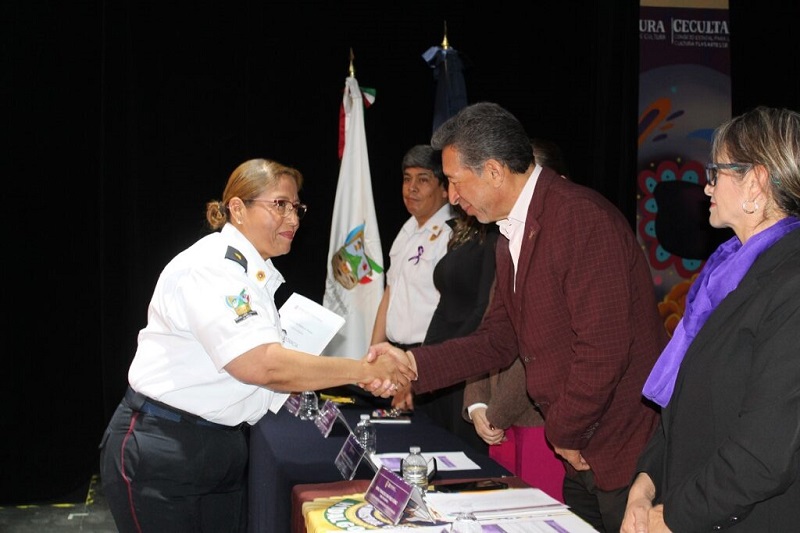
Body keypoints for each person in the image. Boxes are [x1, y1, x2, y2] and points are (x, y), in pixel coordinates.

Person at [367, 102, 667, 532]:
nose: (451, 197)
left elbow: (603, 351)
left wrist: (564, 434)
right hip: (581, 451)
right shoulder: (511, 233)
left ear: (492, 171)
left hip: (620, 454)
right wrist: (411, 364)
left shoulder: (580, 220)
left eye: (453, 181)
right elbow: (498, 340)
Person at [99, 158, 414, 533]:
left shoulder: (255, 277)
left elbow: (268, 376)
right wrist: (363, 371)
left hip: (217, 447)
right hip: (163, 449)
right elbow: (262, 365)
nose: (293, 219)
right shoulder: (212, 268)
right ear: (237, 208)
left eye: (297, 207)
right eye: (279, 205)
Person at [621, 107, 800, 532]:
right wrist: (644, 485)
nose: (706, 188)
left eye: (716, 173)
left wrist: (670, 517)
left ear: (755, 181)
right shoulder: (725, 272)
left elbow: (762, 454)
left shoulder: (792, 284)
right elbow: (685, 404)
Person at [462, 137, 570, 501]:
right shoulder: (507, 242)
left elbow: (541, 348)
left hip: (538, 425)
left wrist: (496, 412)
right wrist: (477, 404)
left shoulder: (564, 244)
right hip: (498, 420)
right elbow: (490, 333)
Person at [413, 180, 500, 454]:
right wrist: (423, 362)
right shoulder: (463, 234)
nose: (452, 197)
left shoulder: (498, 237)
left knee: (462, 460)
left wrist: (448, 361)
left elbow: (483, 310)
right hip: (442, 369)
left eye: (458, 185)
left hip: (465, 370)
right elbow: (445, 304)